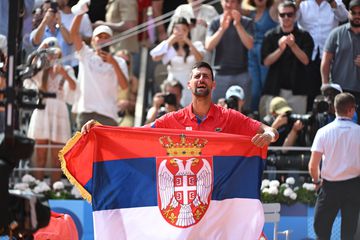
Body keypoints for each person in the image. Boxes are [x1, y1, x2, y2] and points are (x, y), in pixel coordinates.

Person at [82, 62, 279, 148]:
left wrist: (269, 134)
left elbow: (269, 130)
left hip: (219, 200)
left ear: (213, 84)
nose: (201, 80)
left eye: (206, 77)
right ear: (189, 84)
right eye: (197, 77)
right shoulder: (173, 119)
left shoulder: (229, 116)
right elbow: (138, 133)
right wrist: (103, 131)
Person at [308, 92, 360, 240]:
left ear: (335, 108)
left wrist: (317, 181)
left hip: (329, 187)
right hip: (353, 187)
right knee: (349, 234)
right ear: (351, 110)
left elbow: (313, 165)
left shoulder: (323, 132)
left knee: (322, 232)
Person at [70, 1, 129, 129]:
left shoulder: (119, 61)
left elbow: (124, 86)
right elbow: (74, 34)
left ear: (111, 40)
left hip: (109, 115)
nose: (102, 39)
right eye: (99, 37)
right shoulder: (86, 55)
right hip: (86, 113)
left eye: (106, 37)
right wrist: (80, 12)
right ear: (93, 40)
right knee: (86, 149)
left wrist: (113, 63)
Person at [25, 38, 76, 182]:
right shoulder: (40, 68)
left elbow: (74, 89)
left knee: (57, 159)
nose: (52, 55)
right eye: (49, 52)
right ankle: (37, 188)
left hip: (59, 111)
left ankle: (55, 191)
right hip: (42, 110)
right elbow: (27, 79)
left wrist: (64, 75)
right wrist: (39, 51)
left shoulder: (67, 69)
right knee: (39, 155)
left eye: (54, 52)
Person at [260, 1, 314, 116]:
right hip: (275, 89)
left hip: (298, 90)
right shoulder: (270, 35)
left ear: (295, 16)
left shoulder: (304, 36)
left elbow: (306, 60)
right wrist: (281, 48)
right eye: (282, 15)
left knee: (297, 126)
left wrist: (293, 45)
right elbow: (265, 62)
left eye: (289, 14)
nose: (286, 18)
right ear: (277, 16)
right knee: (273, 127)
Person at [296, 0, 348, 111]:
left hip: (330, 55)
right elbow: (292, 18)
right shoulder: (303, 3)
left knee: (330, 91)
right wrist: (297, 3)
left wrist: (332, 3)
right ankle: (309, 122)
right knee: (309, 91)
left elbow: (344, 17)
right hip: (307, 54)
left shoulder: (335, 1)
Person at [206, 0, 254, 110]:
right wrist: (222, 28)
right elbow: (208, 46)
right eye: (226, 1)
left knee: (242, 111)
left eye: (232, 2)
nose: (229, 5)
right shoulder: (215, 22)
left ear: (238, 4)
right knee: (216, 110)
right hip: (220, 75)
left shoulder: (247, 22)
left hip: (242, 74)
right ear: (221, 2)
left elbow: (250, 45)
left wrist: (238, 24)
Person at [150, 17, 205, 106]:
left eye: (184, 30)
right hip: (173, 83)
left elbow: (200, 58)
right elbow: (155, 57)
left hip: (189, 83)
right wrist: (170, 40)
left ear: (188, 31)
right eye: (177, 29)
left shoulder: (195, 45)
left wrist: (188, 42)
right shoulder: (169, 47)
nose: (180, 32)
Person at [321, 0, 360, 123]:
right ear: (348, 13)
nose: (357, 16)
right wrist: (325, 85)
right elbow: (326, 61)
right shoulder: (336, 33)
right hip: (339, 92)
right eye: (353, 12)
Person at [244, 0, 279, 112]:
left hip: (266, 53)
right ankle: (254, 114)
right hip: (251, 55)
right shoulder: (250, 13)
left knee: (266, 87)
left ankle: (268, 116)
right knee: (254, 89)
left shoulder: (272, 10)